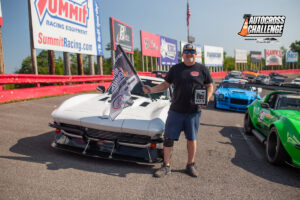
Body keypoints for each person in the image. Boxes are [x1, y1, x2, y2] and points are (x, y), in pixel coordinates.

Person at [142, 43, 213, 178]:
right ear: (182, 54)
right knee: (168, 138)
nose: (189, 53)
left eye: (192, 51)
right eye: (187, 51)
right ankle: (166, 166)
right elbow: (165, 85)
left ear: (196, 54)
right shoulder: (175, 69)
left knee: (192, 139)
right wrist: (151, 89)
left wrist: (207, 98)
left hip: (193, 112)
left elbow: (209, 86)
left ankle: (190, 165)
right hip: (176, 110)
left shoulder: (202, 69)